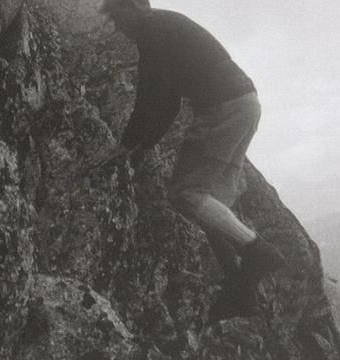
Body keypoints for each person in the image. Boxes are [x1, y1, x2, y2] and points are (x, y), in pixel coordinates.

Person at [95, 0, 286, 321]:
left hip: (222, 108)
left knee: (186, 194)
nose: (116, 26)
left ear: (131, 8)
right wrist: (140, 148)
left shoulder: (151, 28)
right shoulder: (166, 25)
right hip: (246, 104)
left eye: (115, 16)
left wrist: (125, 145)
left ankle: (258, 252)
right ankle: (240, 289)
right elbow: (168, 102)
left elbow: (152, 95)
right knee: (211, 205)